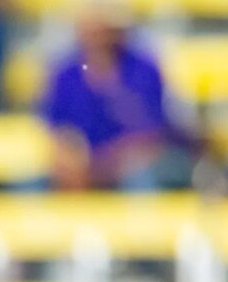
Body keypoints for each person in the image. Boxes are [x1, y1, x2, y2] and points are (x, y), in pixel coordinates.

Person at [40, 0, 191, 191]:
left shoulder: (143, 69)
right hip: (82, 166)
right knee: (33, 179)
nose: (98, 34)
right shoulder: (64, 72)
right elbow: (54, 128)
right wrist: (70, 158)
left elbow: (151, 135)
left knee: (142, 176)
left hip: (130, 163)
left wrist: (103, 167)